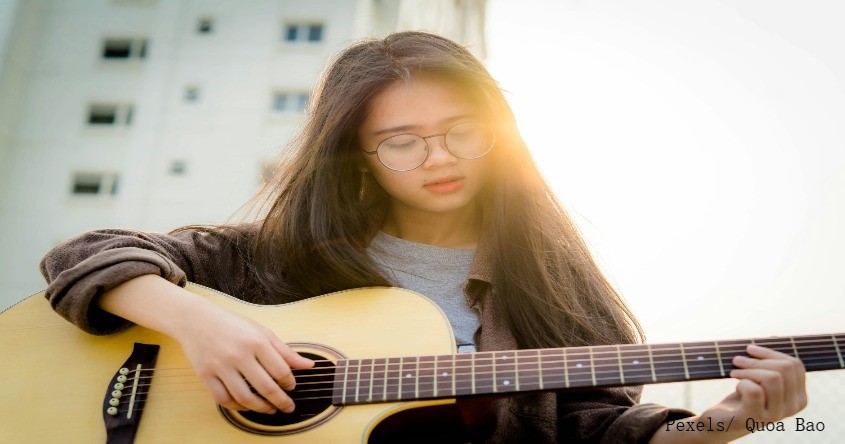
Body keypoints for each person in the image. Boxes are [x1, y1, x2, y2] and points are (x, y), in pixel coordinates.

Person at [40, 31, 807, 443]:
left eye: (459, 132)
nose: (437, 157)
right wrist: (202, 325)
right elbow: (83, 258)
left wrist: (725, 423)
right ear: (362, 162)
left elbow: (599, 435)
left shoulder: (556, 294)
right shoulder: (270, 260)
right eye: (401, 141)